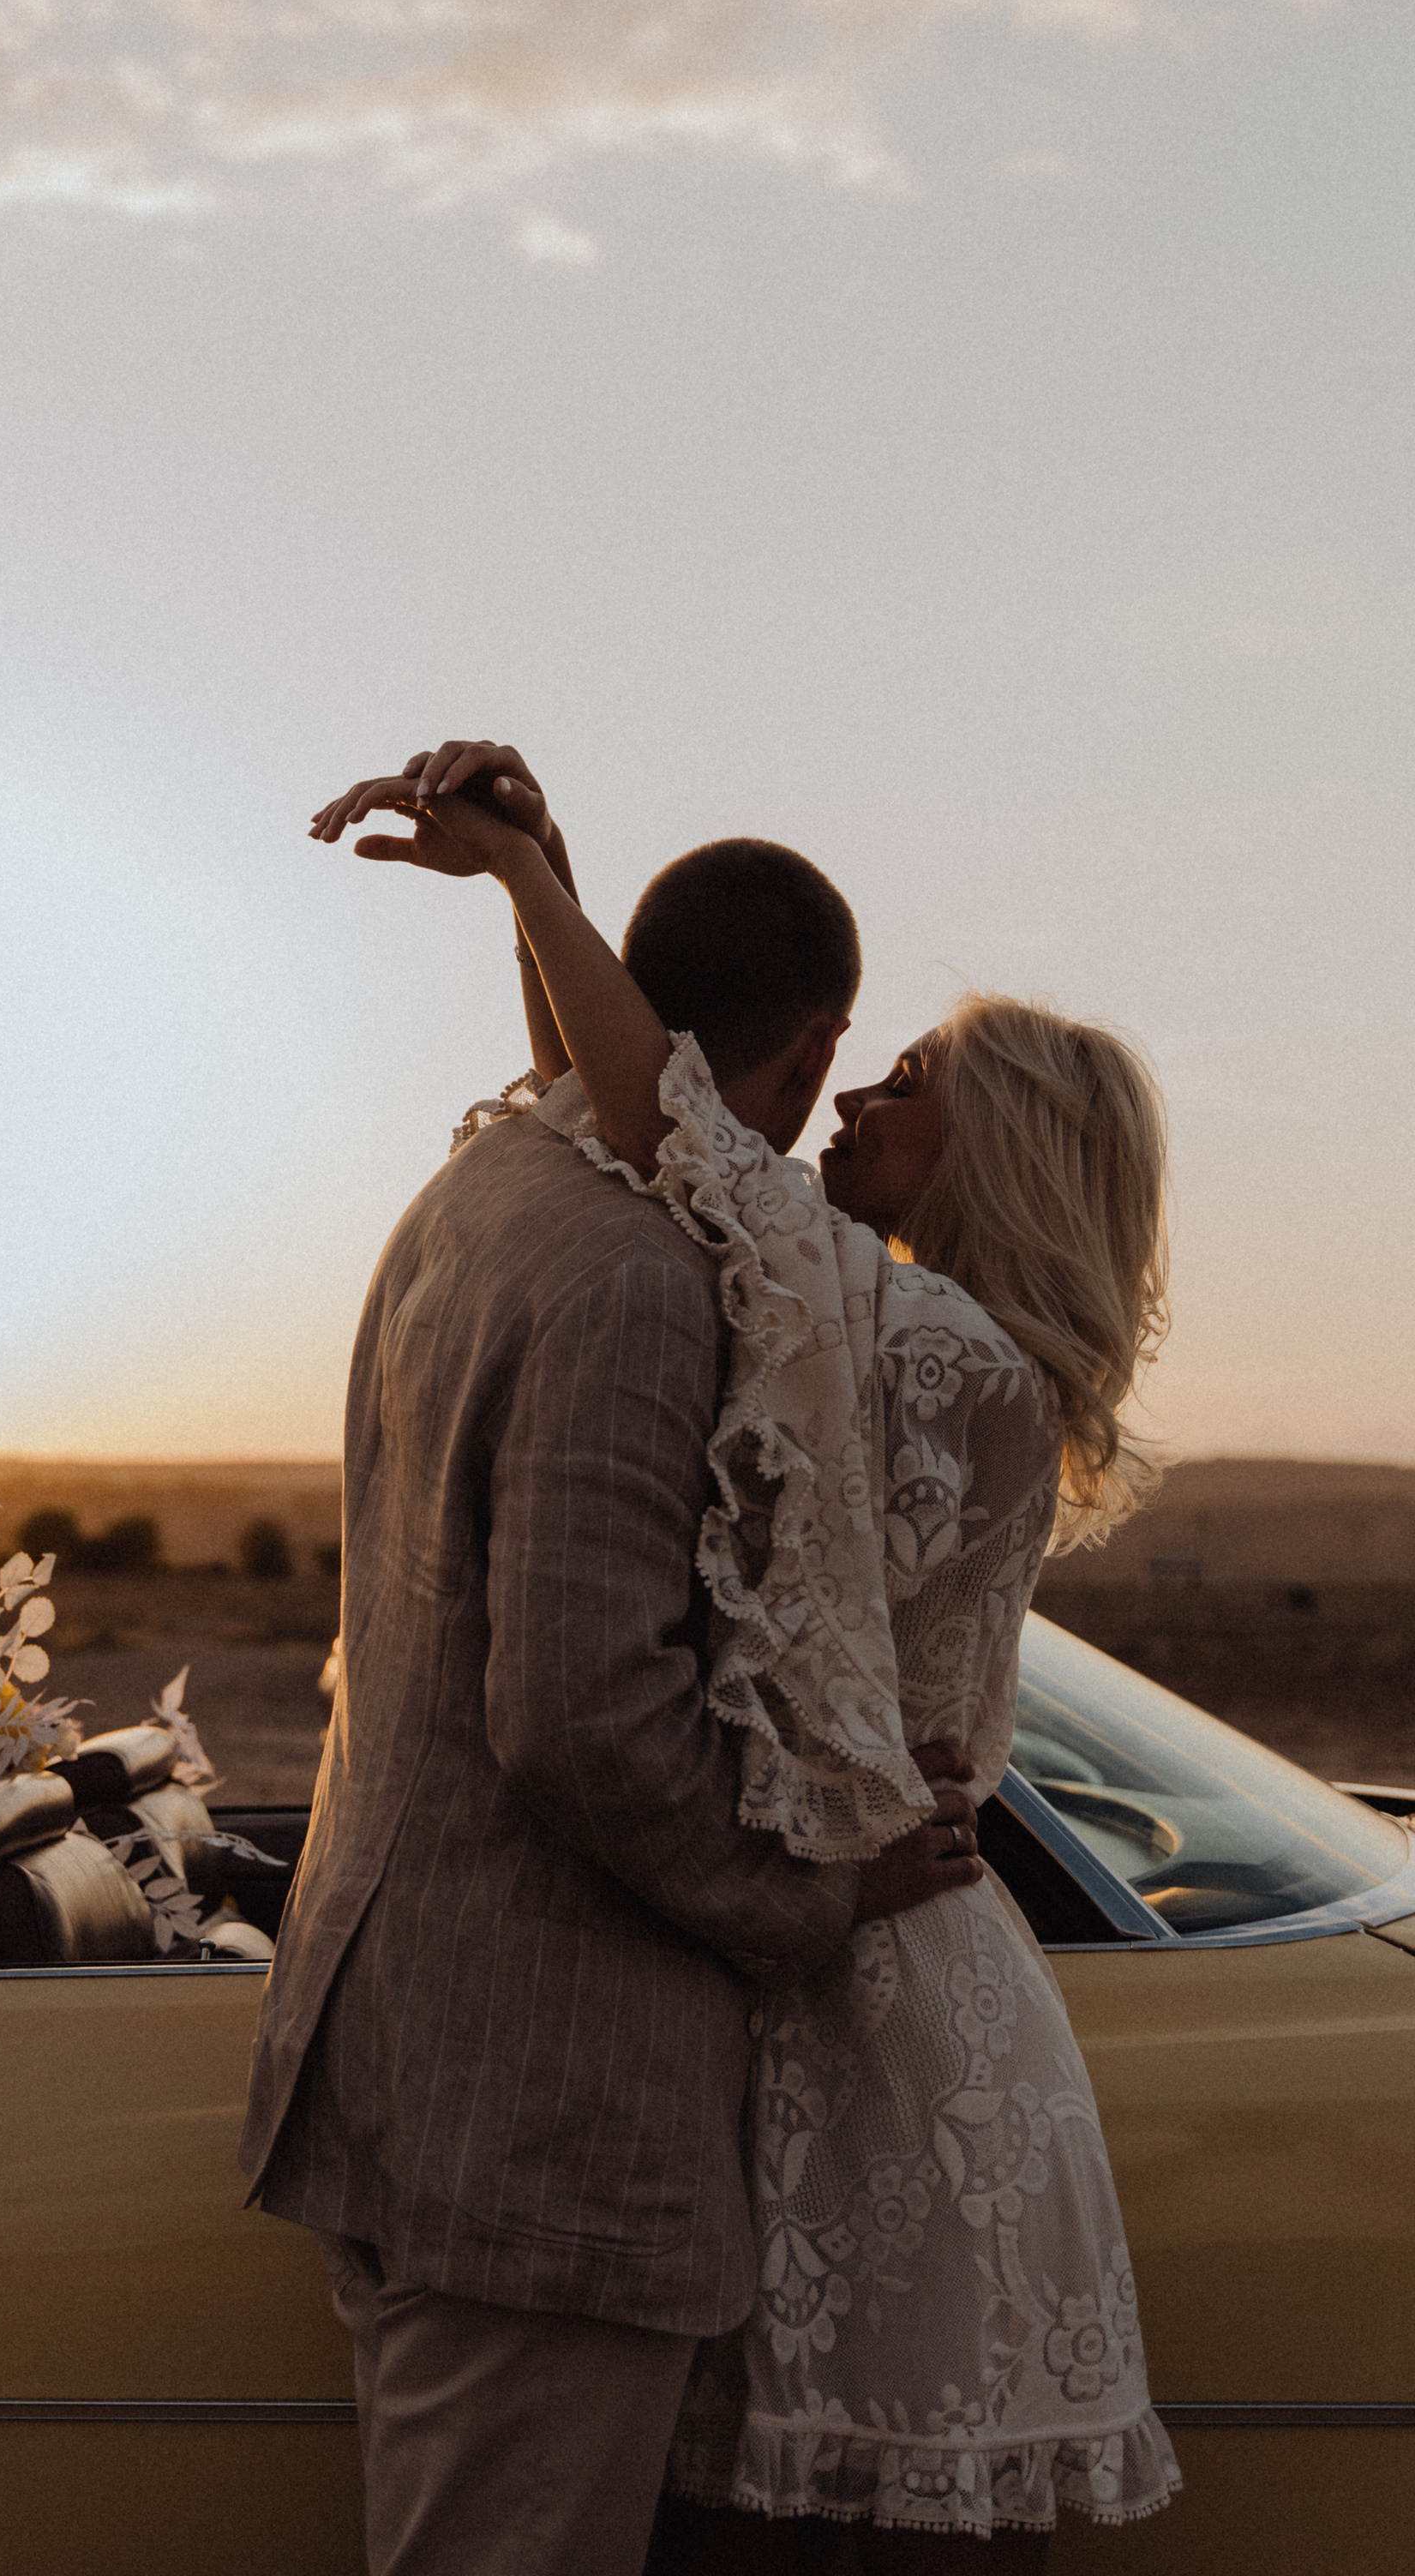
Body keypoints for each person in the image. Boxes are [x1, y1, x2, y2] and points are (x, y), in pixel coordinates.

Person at [309, 741, 1179, 2565]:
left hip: (873, 1993)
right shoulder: (847, 1322)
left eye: (911, 1084)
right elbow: (649, 1146)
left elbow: (671, 1142)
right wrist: (546, 899)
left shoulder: (938, 1354)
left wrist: (535, 885)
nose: (855, 1092)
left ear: (1003, 1155)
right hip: (795, 1963)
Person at [239, 803, 987, 2576]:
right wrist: (806, 1895)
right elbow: (579, 1716)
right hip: (544, 2115)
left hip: (406, 2046)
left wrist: (535, 888)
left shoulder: (486, 1185)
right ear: (809, 1052)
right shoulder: (647, 1275)